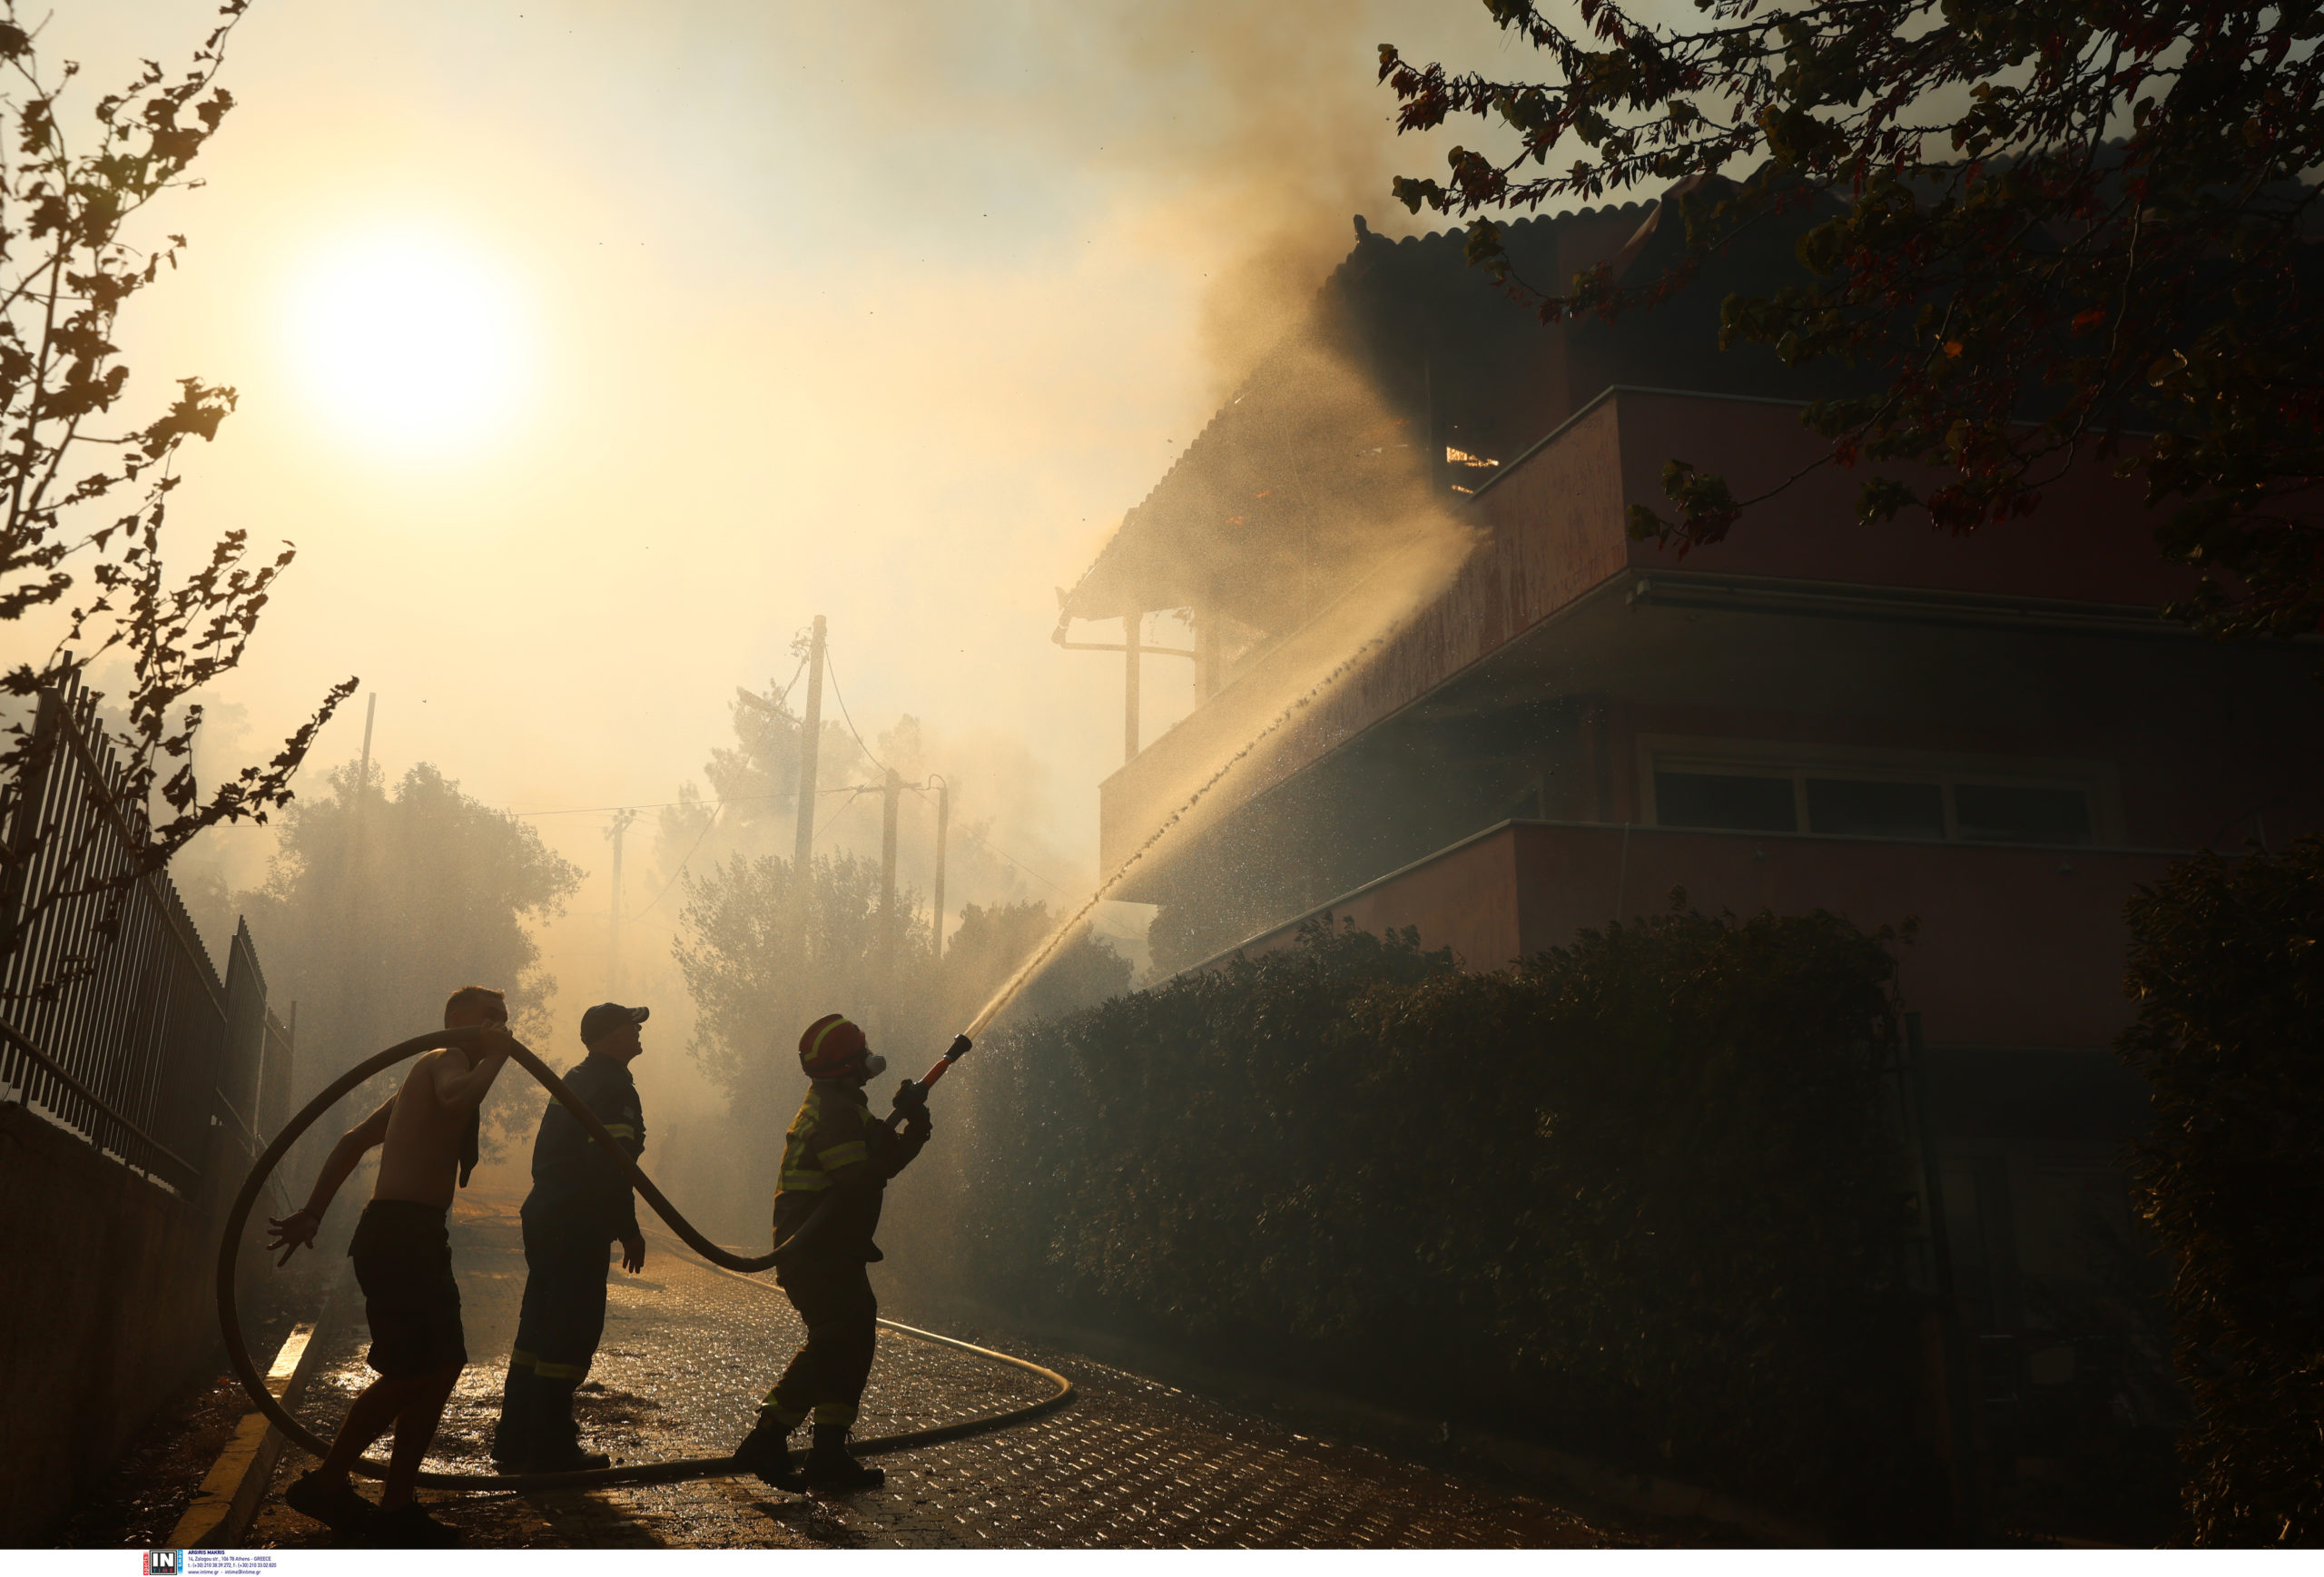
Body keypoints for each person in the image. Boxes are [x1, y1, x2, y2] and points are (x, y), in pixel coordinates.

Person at [266, 985, 517, 1548]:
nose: (500, 1024)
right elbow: (456, 1101)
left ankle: (398, 1505)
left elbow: (356, 1139)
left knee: (444, 1363)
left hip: (418, 1235)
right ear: (455, 1019)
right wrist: (497, 1057)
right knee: (415, 1371)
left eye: (504, 1018)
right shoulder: (445, 1061)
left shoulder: (428, 1074)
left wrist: (313, 1212)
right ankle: (328, 1482)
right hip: (399, 1234)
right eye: (489, 1016)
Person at [732, 1012, 932, 1492]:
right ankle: (767, 1437)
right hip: (814, 1252)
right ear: (847, 1065)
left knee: (853, 1339)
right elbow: (859, 1178)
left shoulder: (843, 1106)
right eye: (862, 1052)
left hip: (832, 1250)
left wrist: (914, 1121)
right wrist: (903, 1136)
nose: (869, 1058)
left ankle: (828, 1454)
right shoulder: (835, 1113)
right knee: (836, 1340)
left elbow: (880, 1158)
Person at [489, 1000, 652, 1471]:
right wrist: (629, 1229)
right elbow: (612, 1166)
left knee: (536, 1330)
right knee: (571, 1331)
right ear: (609, 1036)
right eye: (631, 1026)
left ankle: (514, 1441)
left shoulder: (577, 1079)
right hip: (578, 1222)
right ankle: (552, 1446)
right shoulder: (614, 1086)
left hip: (546, 1216)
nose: (638, 1032)